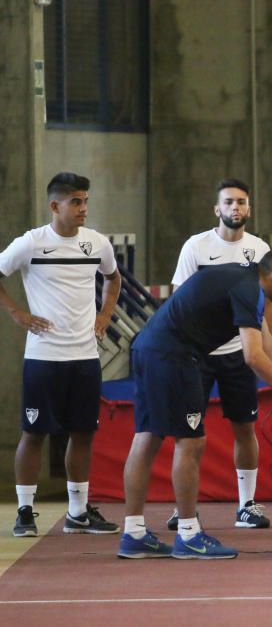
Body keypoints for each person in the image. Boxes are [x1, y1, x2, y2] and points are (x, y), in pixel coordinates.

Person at [118, 247, 272, 559]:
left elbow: (267, 346)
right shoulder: (249, 289)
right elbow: (252, 356)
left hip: (149, 349)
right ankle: (189, 534)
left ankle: (132, 534)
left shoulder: (246, 280)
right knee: (191, 443)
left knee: (147, 436)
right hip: (175, 356)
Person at [0, 172, 122, 538]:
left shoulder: (98, 244)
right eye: (76, 202)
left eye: (85, 201)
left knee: (83, 433)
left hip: (84, 357)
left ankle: (78, 512)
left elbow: (113, 279)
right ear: (55, 206)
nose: (83, 208)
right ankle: (25, 511)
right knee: (34, 433)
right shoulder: (31, 244)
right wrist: (17, 313)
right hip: (43, 357)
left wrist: (104, 315)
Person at [167, 178, 272, 530]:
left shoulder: (260, 251)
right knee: (188, 432)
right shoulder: (195, 247)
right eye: (228, 202)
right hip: (196, 354)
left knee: (245, 428)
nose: (235, 208)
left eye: (241, 202)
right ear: (217, 209)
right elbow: (178, 301)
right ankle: (183, 508)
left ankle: (247, 504)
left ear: (249, 208)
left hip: (239, 353)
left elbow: (270, 307)